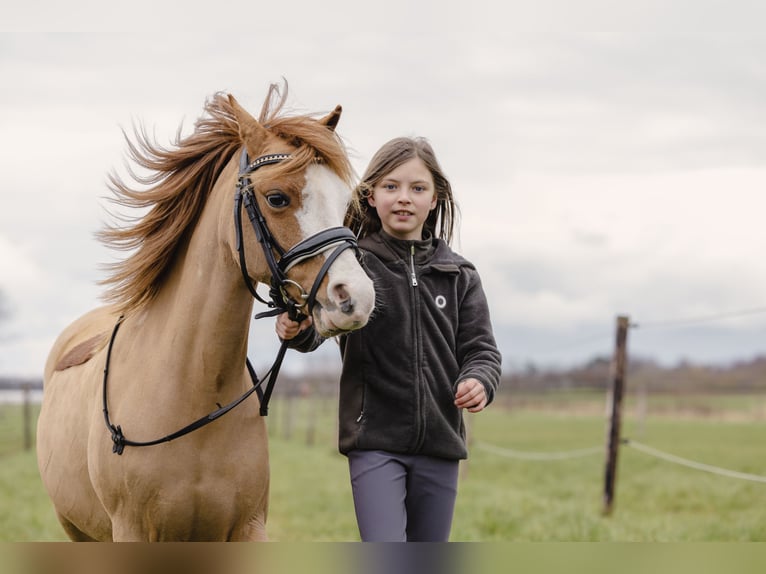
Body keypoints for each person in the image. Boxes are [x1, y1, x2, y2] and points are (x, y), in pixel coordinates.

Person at [276, 136, 502, 542]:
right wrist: (298, 331)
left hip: (440, 443)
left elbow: (481, 349)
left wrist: (479, 381)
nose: (404, 198)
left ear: (435, 199)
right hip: (374, 442)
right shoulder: (354, 265)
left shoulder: (459, 275)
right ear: (370, 195)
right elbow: (321, 325)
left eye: (418, 188)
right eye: (391, 187)